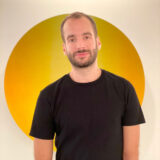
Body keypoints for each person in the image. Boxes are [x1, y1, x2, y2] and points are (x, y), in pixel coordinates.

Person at [29, 12, 145, 160]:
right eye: (72, 39)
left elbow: (131, 155)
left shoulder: (124, 89)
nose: (80, 45)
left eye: (86, 37)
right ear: (64, 48)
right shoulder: (48, 96)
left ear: (98, 42)